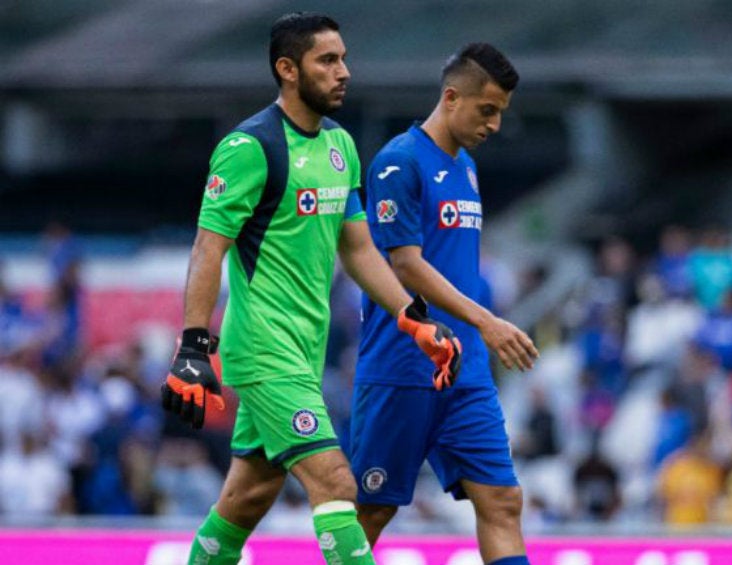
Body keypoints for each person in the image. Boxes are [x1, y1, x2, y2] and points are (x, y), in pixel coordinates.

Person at [160, 13, 461, 565]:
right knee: (335, 483)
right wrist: (193, 346)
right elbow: (209, 248)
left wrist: (413, 316)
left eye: (344, 58)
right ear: (288, 69)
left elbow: (359, 249)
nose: (343, 71)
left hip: (305, 349)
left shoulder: (341, 146)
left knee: (248, 497)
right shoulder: (250, 147)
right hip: (263, 348)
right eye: (328, 60)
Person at [351, 43, 539, 565]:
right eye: (488, 110)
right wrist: (488, 320)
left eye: (501, 112)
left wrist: (478, 333)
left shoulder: (467, 168)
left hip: (467, 371)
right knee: (371, 512)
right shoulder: (398, 163)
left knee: (502, 500)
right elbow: (405, 265)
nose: (495, 124)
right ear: (452, 97)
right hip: (403, 365)